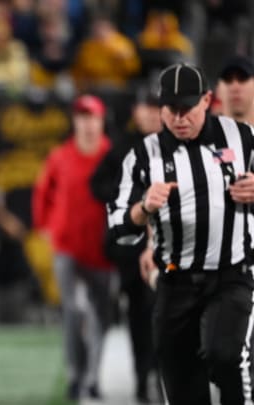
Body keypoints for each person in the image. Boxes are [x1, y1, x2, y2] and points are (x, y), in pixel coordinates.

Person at [109, 62, 254, 404]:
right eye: (171, 109)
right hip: (175, 281)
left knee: (226, 356)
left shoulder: (241, 137)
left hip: (231, 274)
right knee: (182, 384)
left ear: (206, 100)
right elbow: (118, 227)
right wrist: (143, 208)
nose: (179, 118)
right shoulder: (143, 156)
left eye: (187, 108)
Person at [32, 94, 115, 401]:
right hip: (67, 246)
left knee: (101, 317)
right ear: (75, 121)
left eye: (92, 117)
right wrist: (44, 227)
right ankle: (76, 375)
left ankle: (92, 375)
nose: (88, 123)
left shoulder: (110, 154)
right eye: (82, 116)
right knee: (73, 312)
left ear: (102, 119)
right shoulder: (61, 156)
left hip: (102, 250)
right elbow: (43, 192)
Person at [90, 86, 162, 403]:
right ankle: (142, 377)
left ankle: (162, 376)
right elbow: (97, 183)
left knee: (167, 315)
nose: (148, 113)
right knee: (139, 316)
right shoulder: (124, 147)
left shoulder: (175, 146)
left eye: (154, 107)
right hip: (132, 249)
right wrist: (130, 202)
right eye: (144, 106)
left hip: (172, 248)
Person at [218, 55, 254, 124]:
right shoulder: (205, 133)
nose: (235, 88)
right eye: (228, 79)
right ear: (218, 89)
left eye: (242, 78)